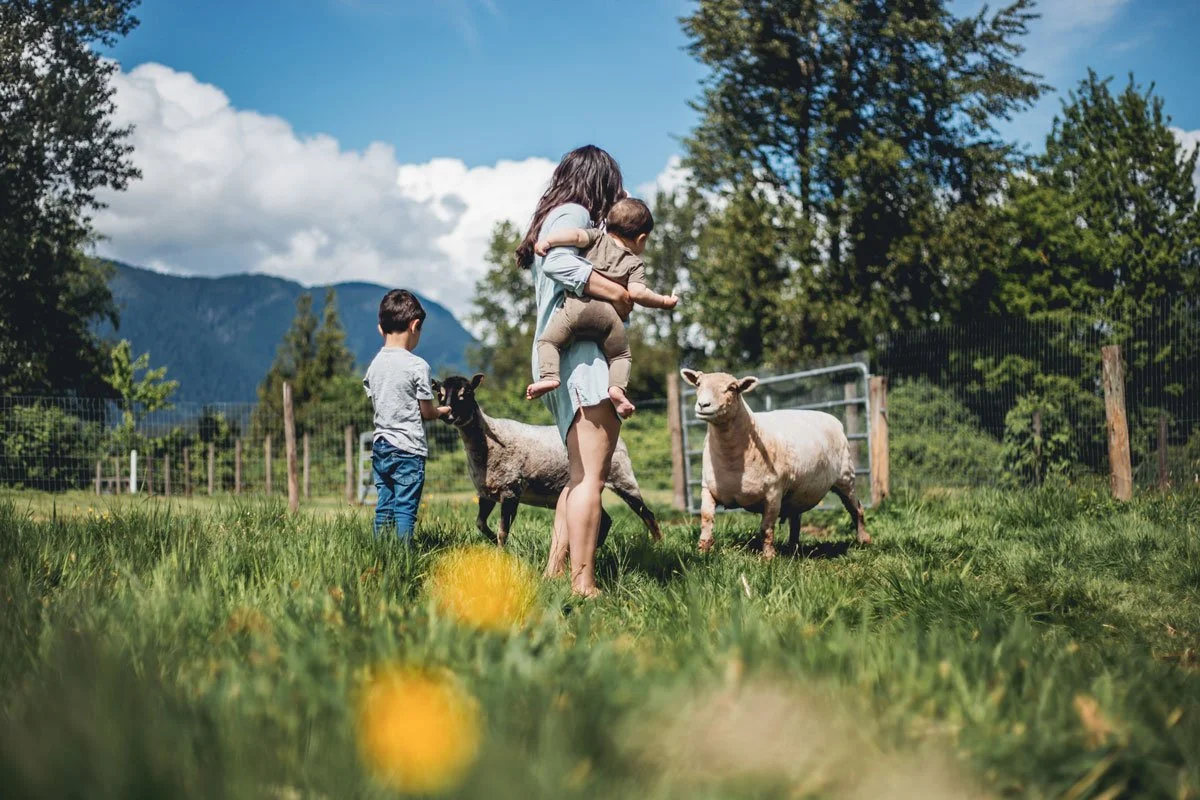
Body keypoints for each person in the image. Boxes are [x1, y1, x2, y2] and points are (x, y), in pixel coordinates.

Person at [516, 144, 629, 596]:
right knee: (591, 480)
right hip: (582, 359)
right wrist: (616, 293)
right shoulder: (575, 215)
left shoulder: (555, 217)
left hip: (561, 358)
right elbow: (560, 263)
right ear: (600, 184)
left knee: (579, 475)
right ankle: (584, 583)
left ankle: (555, 573)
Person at [526, 197, 679, 418]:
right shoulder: (634, 263)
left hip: (576, 310)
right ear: (642, 238)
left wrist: (548, 241)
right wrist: (664, 301)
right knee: (621, 356)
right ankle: (616, 390)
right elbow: (638, 293)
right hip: (609, 319)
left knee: (548, 341)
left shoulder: (596, 237)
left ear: (608, 225)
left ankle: (549, 377)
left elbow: (575, 236)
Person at [362, 289, 449, 540]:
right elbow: (427, 412)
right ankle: (403, 556)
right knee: (405, 511)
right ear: (415, 325)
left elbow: (380, 399)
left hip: (381, 446)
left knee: (384, 507)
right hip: (408, 449)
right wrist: (442, 411)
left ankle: (381, 552)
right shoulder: (417, 366)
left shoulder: (374, 366)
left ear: (381, 329)